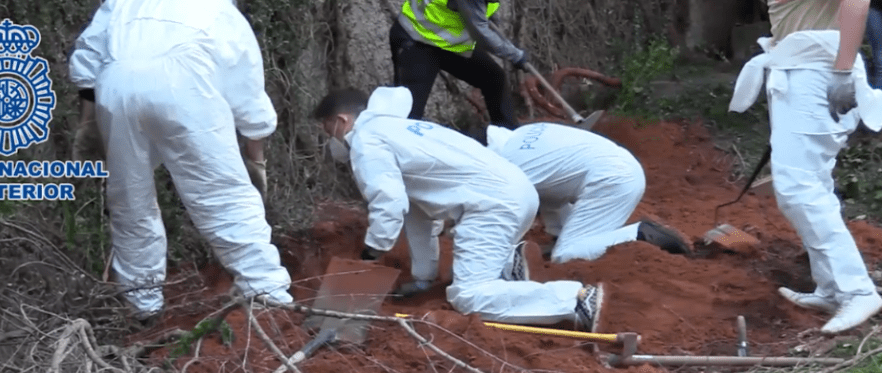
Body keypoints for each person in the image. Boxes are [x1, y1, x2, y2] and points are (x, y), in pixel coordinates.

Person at [68, 0, 294, 322]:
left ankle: (142, 308)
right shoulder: (220, 11)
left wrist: (88, 123)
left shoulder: (123, 2)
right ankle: (269, 297)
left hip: (115, 85)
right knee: (225, 198)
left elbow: (88, 60)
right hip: (185, 82)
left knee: (130, 203)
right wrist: (255, 162)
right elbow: (249, 94)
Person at [313, 86, 608, 331]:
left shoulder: (367, 140)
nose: (332, 140)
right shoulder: (400, 129)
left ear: (341, 121)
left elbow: (388, 202)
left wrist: (371, 252)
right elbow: (416, 214)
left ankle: (576, 300)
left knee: (469, 296)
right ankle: (509, 266)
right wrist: (423, 277)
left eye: (329, 130)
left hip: (491, 205)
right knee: (470, 271)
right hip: (514, 192)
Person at [729, 0, 882, 334]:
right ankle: (832, 288)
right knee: (812, 183)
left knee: (798, 188)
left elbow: (856, 3)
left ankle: (858, 290)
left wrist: (842, 72)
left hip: (818, 70)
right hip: (799, 68)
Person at [482, 123, 692, 263]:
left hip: (612, 181)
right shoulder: (523, 133)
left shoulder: (508, 168)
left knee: (565, 256)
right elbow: (550, 190)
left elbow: (503, 216)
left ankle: (640, 234)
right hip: (622, 167)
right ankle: (560, 235)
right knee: (548, 188)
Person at [390, 0, 527, 129]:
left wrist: (491, 17)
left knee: (494, 78)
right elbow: (481, 34)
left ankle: (507, 139)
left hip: (446, 43)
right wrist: (516, 56)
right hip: (416, 39)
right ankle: (395, 148)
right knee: (409, 111)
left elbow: (480, 11)